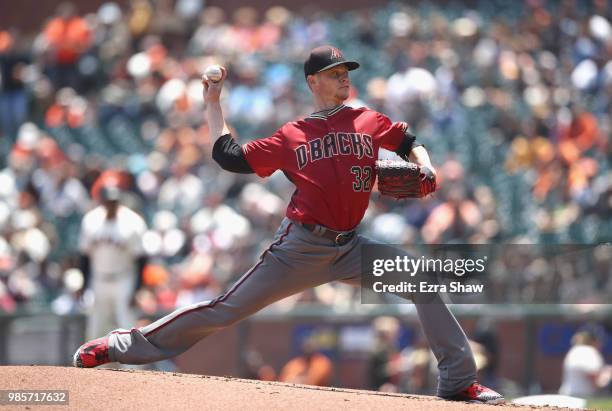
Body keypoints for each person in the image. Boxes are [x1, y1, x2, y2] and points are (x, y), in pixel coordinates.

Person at [73, 45, 503, 404]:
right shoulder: (292, 135)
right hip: (301, 247)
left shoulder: (367, 120)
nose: (343, 79)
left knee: (421, 281)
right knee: (225, 310)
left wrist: (424, 165)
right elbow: (229, 156)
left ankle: (457, 381)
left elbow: (409, 142)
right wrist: (213, 103)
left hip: (352, 247)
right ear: (312, 81)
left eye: (345, 72)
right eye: (334, 73)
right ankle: (119, 345)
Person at [78, 184, 147, 340]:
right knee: (96, 328)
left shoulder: (132, 222)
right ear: (102, 202)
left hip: (124, 279)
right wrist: (84, 285)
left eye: (114, 201)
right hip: (98, 279)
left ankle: (132, 364)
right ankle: (93, 364)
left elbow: (141, 258)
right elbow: (84, 255)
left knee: (127, 326)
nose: (111, 205)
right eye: (108, 201)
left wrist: (137, 289)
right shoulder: (91, 220)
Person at [559, 325, 611, 397]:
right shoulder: (590, 352)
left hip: (567, 396)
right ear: (595, 340)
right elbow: (596, 382)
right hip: (582, 399)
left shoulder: (574, 350)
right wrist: (608, 374)